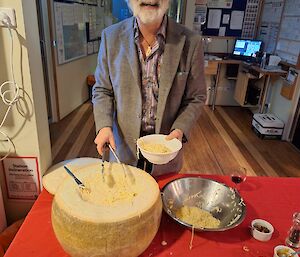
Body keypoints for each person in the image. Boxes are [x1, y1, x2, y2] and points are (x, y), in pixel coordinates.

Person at [92, 0, 206, 176]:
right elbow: (103, 90)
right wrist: (104, 126)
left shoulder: (191, 42)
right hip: (123, 150)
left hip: (166, 151)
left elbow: (196, 97)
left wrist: (181, 128)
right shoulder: (110, 37)